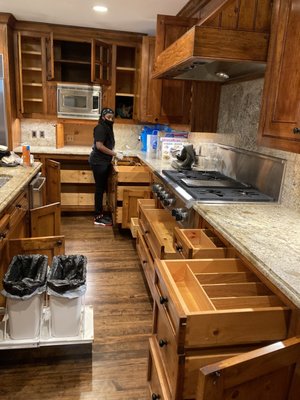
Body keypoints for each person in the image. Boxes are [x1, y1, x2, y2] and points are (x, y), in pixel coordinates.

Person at [88, 108, 123, 226]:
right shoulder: (100, 128)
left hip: (103, 162)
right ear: (103, 117)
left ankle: (101, 213)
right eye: (108, 117)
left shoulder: (107, 127)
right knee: (99, 189)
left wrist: (113, 153)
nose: (110, 119)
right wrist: (115, 154)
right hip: (98, 163)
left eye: (112, 117)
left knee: (102, 188)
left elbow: (106, 144)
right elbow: (99, 146)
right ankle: (97, 217)